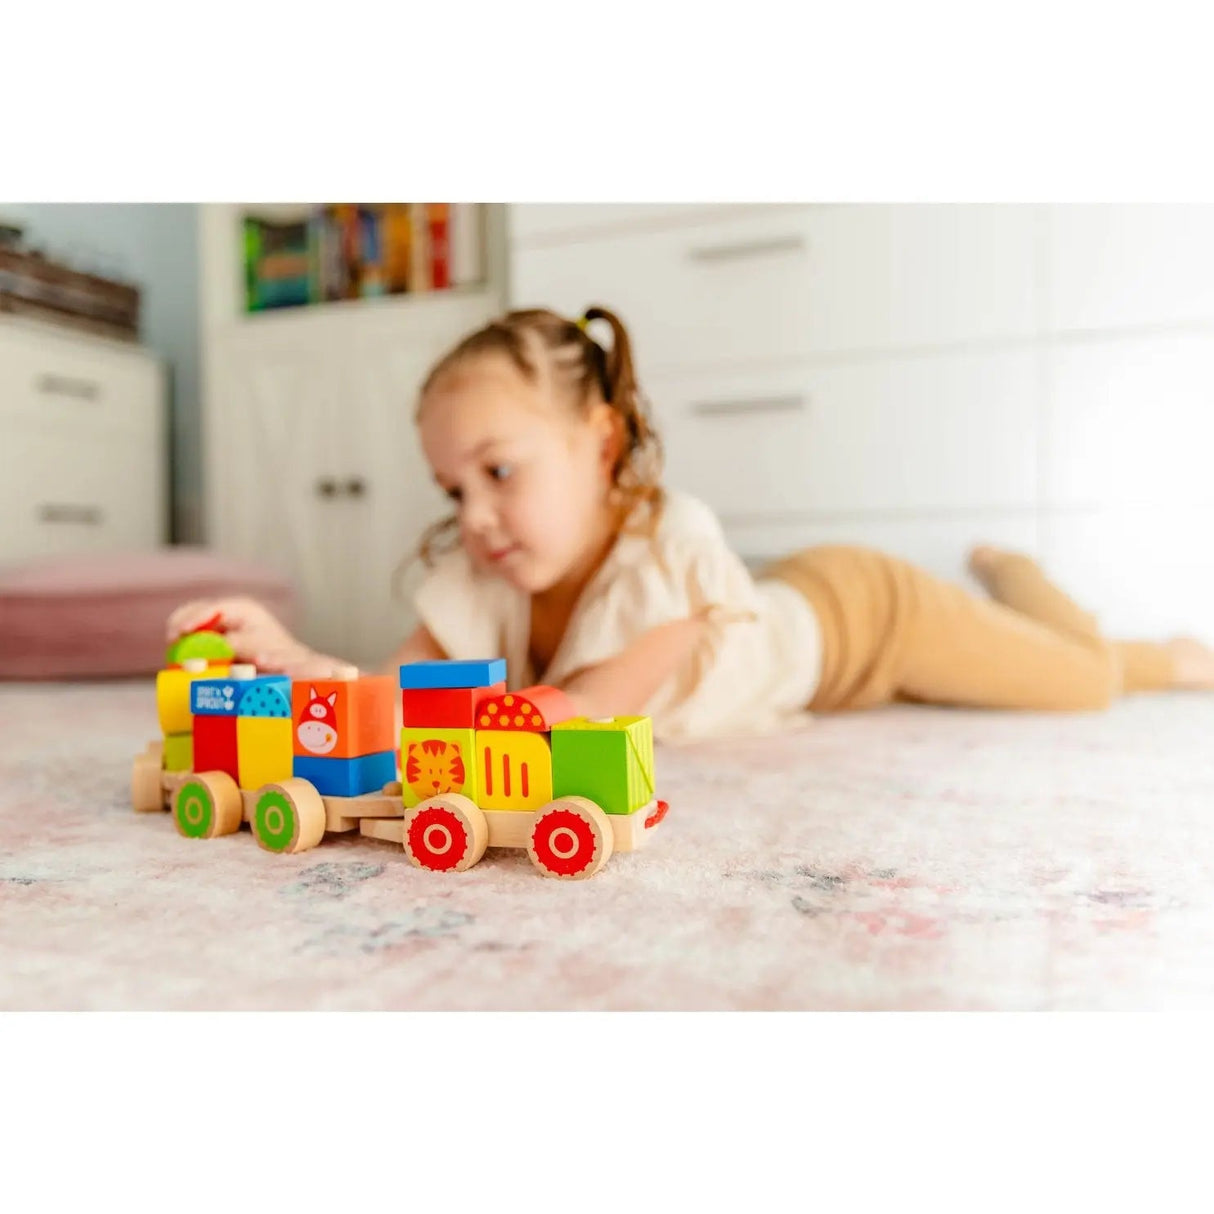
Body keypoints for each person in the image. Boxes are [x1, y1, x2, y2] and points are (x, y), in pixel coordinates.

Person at [167, 306, 1214, 741]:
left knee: (1079, 679)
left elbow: (580, 712)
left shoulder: (669, 555)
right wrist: (298, 663)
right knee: (1050, 673)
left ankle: (1054, 594)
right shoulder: (484, 573)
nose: (473, 517)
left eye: (497, 471)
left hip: (867, 616)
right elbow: (394, 695)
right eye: (452, 489)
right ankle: (1032, 599)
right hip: (795, 605)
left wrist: (423, 724)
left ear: (601, 442)